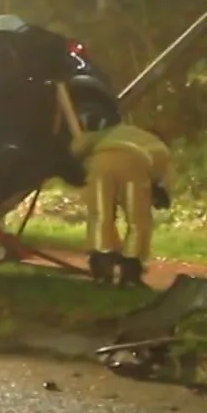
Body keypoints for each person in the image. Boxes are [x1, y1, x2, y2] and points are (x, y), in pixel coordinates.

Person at [72, 120, 174, 288]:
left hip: (101, 161)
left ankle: (102, 268)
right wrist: (159, 195)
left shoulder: (118, 130)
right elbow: (162, 182)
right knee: (138, 221)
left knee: (101, 215)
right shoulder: (161, 148)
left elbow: (79, 145)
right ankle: (130, 272)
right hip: (136, 165)